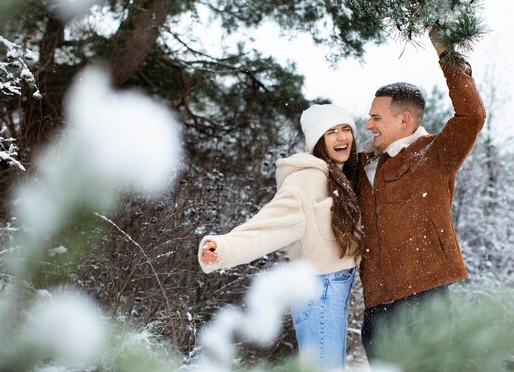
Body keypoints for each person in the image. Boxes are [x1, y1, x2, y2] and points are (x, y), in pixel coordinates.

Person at [198, 103, 364, 371]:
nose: (342, 137)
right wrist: (224, 248)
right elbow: (267, 226)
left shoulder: (341, 176)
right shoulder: (306, 179)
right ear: (318, 140)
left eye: (346, 129)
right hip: (319, 289)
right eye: (331, 131)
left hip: (334, 289)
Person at [357, 30, 486, 362]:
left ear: (405, 120)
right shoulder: (363, 163)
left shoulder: (434, 155)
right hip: (376, 309)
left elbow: (472, 116)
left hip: (423, 302)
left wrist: (448, 55)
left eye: (376, 117)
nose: (368, 124)